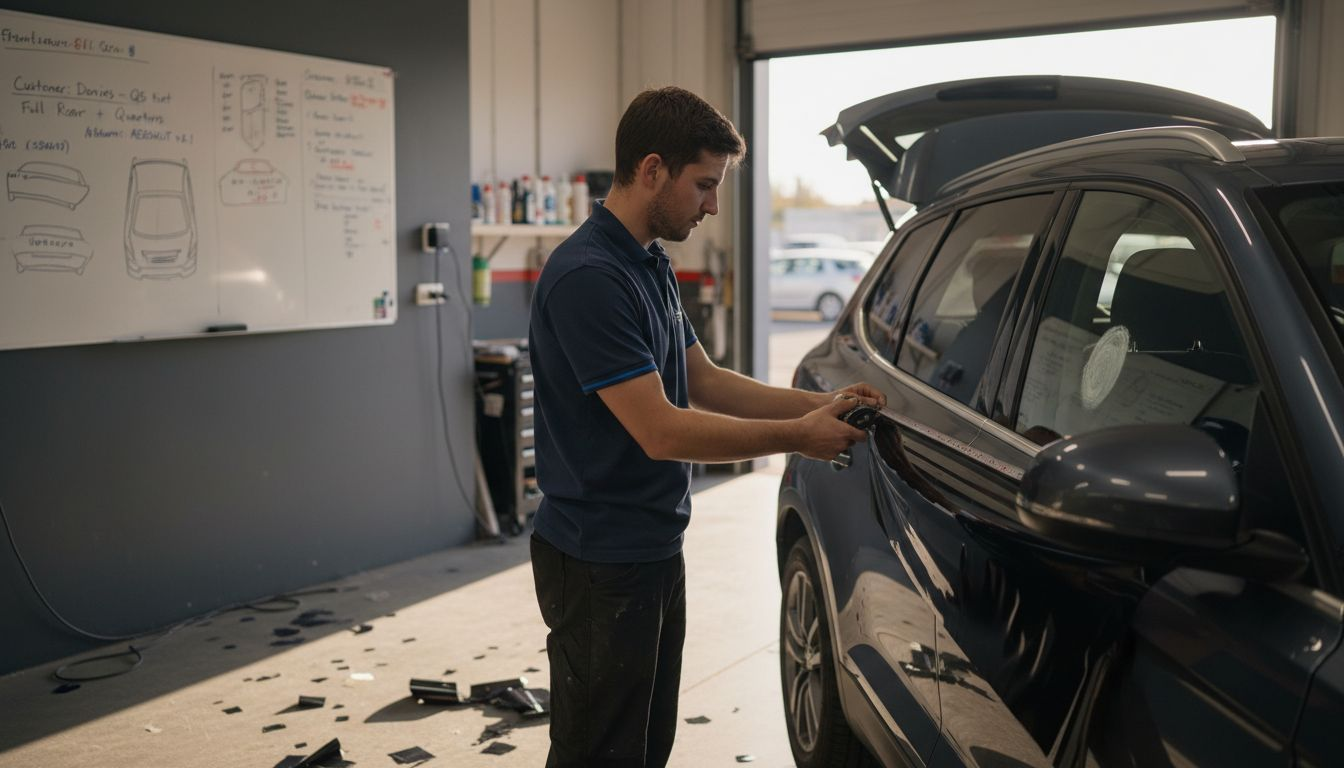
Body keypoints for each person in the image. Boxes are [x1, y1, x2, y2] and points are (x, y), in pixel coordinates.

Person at [527, 86, 885, 768]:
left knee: (644, 744)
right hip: (601, 558)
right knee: (600, 752)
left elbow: (705, 380)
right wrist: (801, 436)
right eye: (704, 185)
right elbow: (663, 431)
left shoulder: (647, 262)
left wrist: (820, 403)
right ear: (652, 169)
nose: (713, 206)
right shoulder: (589, 277)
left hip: (653, 543)